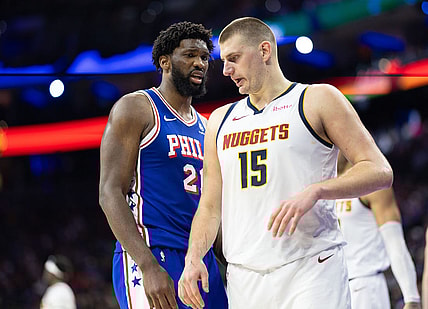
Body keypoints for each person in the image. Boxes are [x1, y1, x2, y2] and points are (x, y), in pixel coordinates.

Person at [178, 17, 393, 309]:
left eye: (234, 59)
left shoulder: (316, 99)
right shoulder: (220, 119)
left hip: (312, 267)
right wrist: (193, 258)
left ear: (264, 51)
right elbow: (210, 205)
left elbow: (379, 170)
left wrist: (317, 190)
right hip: (244, 277)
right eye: (224, 61)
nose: (226, 70)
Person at [98, 21, 228, 309]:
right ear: (165, 62)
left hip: (199, 257)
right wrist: (147, 266)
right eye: (190, 55)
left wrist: (229, 263)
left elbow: (210, 206)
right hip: (153, 251)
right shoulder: (136, 108)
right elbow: (110, 193)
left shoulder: (207, 128)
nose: (200, 63)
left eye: (205, 57)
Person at [336, 152, 420, 309]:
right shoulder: (322, 183)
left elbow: (395, 242)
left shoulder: (371, 181)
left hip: (366, 286)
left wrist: (411, 297)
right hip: (334, 287)